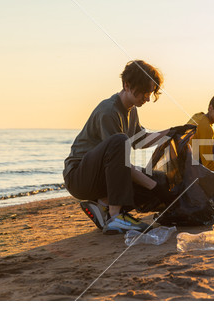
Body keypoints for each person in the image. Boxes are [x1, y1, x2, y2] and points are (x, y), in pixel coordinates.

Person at [63, 60, 192, 235]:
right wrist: (153, 186)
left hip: (104, 177)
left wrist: (170, 132)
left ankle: (103, 205)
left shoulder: (132, 110)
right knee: (121, 143)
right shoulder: (108, 111)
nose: (147, 98)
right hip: (80, 177)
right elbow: (120, 159)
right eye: (145, 93)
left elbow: (139, 141)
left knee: (161, 181)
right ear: (127, 85)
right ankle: (115, 216)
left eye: (150, 93)